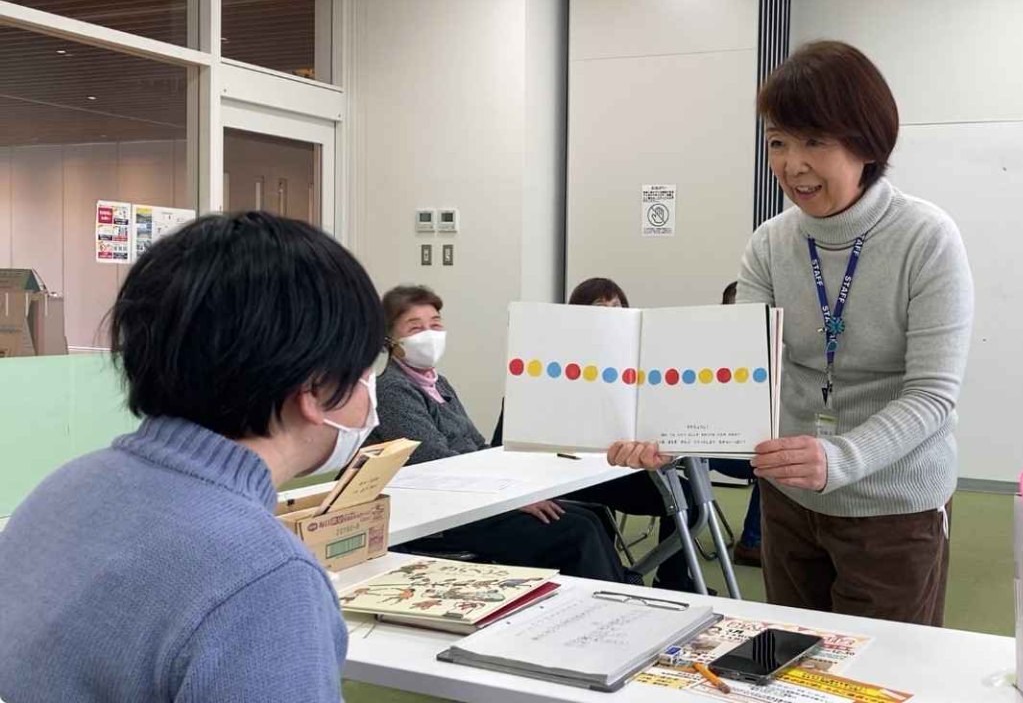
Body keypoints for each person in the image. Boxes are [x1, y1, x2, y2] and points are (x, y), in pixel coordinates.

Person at [606, 40, 974, 626]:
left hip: (893, 508)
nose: (791, 164)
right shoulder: (771, 244)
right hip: (790, 498)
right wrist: (670, 434)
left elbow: (932, 395)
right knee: (792, 656)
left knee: (882, 667)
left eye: (814, 142)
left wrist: (841, 457)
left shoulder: (926, 239)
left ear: (867, 144)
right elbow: (741, 374)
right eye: (778, 142)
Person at [0, 211, 382, 701]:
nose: (369, 390)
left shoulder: (64, 488)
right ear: (313, 387)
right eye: (364, 369)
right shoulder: (265, 579)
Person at [367, 284, 626, 583]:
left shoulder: (438, 383)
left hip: (479, 500)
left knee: (593, 517)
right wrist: (508, 498)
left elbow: (477, 445)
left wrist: (519, 488)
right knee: (576, 532)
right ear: (389, 339)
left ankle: (621, 592)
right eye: (415, 327)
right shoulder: (392, 389)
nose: (429, 334)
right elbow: (434, 462)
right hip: (446, 515)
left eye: (435, 324)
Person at [494, 276, 707, 592]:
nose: (610, 313)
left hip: (615, 469)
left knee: (688, 499)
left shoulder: (635, 361)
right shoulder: (551, 360)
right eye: (600, 306)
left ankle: (673, 581)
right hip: (563, 475)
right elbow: (503, 441)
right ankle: (619, 577)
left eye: (616, 306)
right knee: (597, 520)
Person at [705, 280, 764, 566]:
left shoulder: (767, 350)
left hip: (746, 444)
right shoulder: (708, 352)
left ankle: (755, 540)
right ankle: (752, 542)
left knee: (777, 461)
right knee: (770, 466)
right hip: (707, 444)